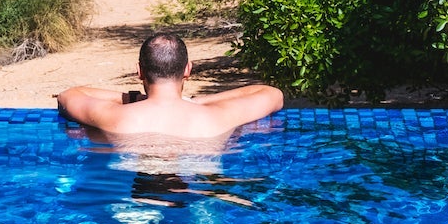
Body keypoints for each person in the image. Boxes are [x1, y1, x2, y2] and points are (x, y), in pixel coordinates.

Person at [56, 32, 283, 140]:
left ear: (140, 71)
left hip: (132, 202)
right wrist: (197, 103)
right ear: (188, 70)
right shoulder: (217, 117)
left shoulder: (115, 117)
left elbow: (69, 95)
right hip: (200, 200)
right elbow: (272, 95)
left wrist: (135, 100)